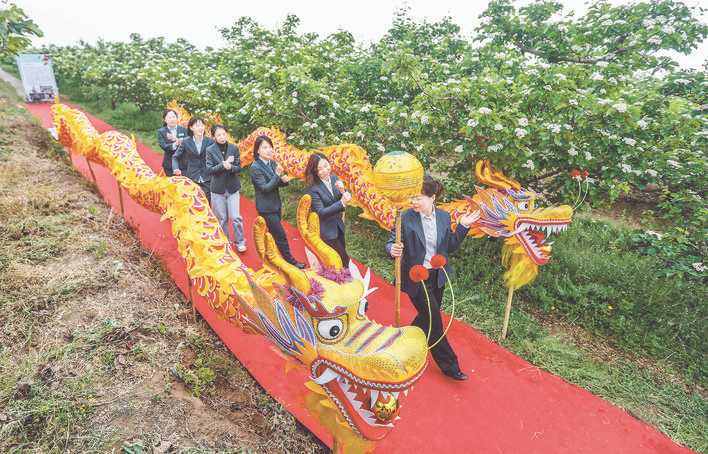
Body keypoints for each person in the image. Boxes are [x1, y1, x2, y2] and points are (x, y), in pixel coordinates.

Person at [386, 175, 480, 381]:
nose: (413, 202)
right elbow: (392, 241)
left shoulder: (445, 217)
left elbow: (450, 247)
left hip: (438, 276)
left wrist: (463, 226)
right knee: (435, 321)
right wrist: (392, 249)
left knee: (426, 318)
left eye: (418, 197)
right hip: (415, 277)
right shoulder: (405, 217)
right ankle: (450, 366)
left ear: (432, 197)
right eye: (412, 197)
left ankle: (402, 343)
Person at [250, 135, 305, 269]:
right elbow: (265, 188)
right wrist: (277, 175)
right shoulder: (255, 167)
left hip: (275, 205)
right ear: (258, 150)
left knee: (273, 234)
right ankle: (290, 261)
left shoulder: (272, 163)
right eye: (265, 147)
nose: (269, 150)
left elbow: (277, 183)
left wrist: (284, 180)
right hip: (266, 208)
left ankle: (272, 258)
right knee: (280, 235)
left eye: (270, 147)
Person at [305, 153, 351, 267]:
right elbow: (321, 212)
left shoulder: (334, 178)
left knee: (341, 256)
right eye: (320, 169)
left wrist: (342, 191)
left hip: (338, 226)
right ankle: (343, 279)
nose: (325, 170)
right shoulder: (313, 188)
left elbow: (343, 196)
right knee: (343, 260)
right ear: (315, 171)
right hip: (326, 230)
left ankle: (342, 279)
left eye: (326, 166)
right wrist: (341, 203)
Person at [206, 124, 246, 252]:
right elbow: (209, 170)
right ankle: (225, 241)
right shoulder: (210, 150)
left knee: (235, 217)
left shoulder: (234, 148)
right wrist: (223, 165)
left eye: (224, 134)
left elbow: (239, 167)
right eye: (218, 135)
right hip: (218, 189)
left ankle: (240, 241)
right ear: (214, 136)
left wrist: (231, 167)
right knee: (222, 218)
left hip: (233, 188)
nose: (222, 137)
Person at [172, 117, 213, 204]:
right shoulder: (186, 142)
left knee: (207, 204)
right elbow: (175, 157)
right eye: (197, 126)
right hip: (192, 177)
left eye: (202, 125)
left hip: (207, 178)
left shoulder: (210, 141)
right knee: (194, 203)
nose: (200, 128)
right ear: (191, 128)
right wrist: (176, 168)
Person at [157, 109, 187, 176]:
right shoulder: (161, 131)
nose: (172, 119)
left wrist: (180, 141)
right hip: (169, 164)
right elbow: (163, 146)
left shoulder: (184, 130)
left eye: (173, 117)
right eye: (169, 117)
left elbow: (189, 144)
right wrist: (174, 144)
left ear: (177, 118)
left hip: (183, 165)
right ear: (165, 120)